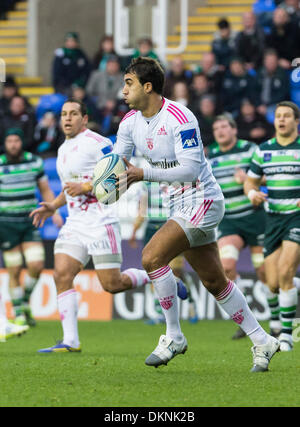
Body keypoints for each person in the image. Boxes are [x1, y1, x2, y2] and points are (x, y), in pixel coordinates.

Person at [114, 56, 279, 372]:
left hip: (202, 199)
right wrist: (100, 186)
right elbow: (118, 167)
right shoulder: (128, 123)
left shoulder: (180, 117)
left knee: (151, 258)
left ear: (148, 87)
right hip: (178, 206)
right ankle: (262, 340)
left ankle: (174, 335)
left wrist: (142, 174)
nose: (123, 90)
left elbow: (190, 168)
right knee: (215, 281)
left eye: (129, 83)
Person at [29, 99, 158, 353]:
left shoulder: (98, 143)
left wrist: (87, 187)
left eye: (73, 114)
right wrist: (54, 206)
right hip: (75, 223)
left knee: (112, 284)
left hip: (101, 222)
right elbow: (70, 188)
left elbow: (119, 171)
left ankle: (162, 278)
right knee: (61, 274)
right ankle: (70, 341)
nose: (67, 118)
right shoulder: (63, 149)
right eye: (64, 114)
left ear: (84, 119)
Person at [244, 101, 300, 351]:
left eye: (287, 116)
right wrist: (252, 194)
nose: (282, 120)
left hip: (296, 217)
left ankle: (286, 335)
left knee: (287, 271)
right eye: (278, 116)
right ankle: (294, 290)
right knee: (273, 282)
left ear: (296, 121)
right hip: (273, 218)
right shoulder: (263, 150)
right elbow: (250, 181)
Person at [208, 114, 267, 339]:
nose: (220, 131)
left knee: (264, 273)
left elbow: (268, 176)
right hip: (230, 220)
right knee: (227, 267)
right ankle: (245, 320)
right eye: (216, 128)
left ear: (234, 130)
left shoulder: (250, 149)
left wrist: (250, 180)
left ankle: (279, 320)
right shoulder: (210, 154)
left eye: (224, 126)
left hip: (255, 218)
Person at [0, 128, 63, 327]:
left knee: (36, 265)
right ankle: (18, 312)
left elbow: (45, 189)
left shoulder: (34, 163)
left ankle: (25, 300)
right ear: (5, 143)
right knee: (14, 267)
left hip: (29, 220)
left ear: (21, 142)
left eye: (16, 140)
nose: (13, 144)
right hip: (6, 222)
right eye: (9, 140)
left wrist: (55, 212)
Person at [129, 182, 198, 324]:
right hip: (152, 229)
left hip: (171, 227)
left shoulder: (175, 179)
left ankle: (191, 304)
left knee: (176, 271)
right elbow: (142, 211)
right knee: (153, 272)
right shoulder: (146, 184)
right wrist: (134, 230)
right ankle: (161, 314)